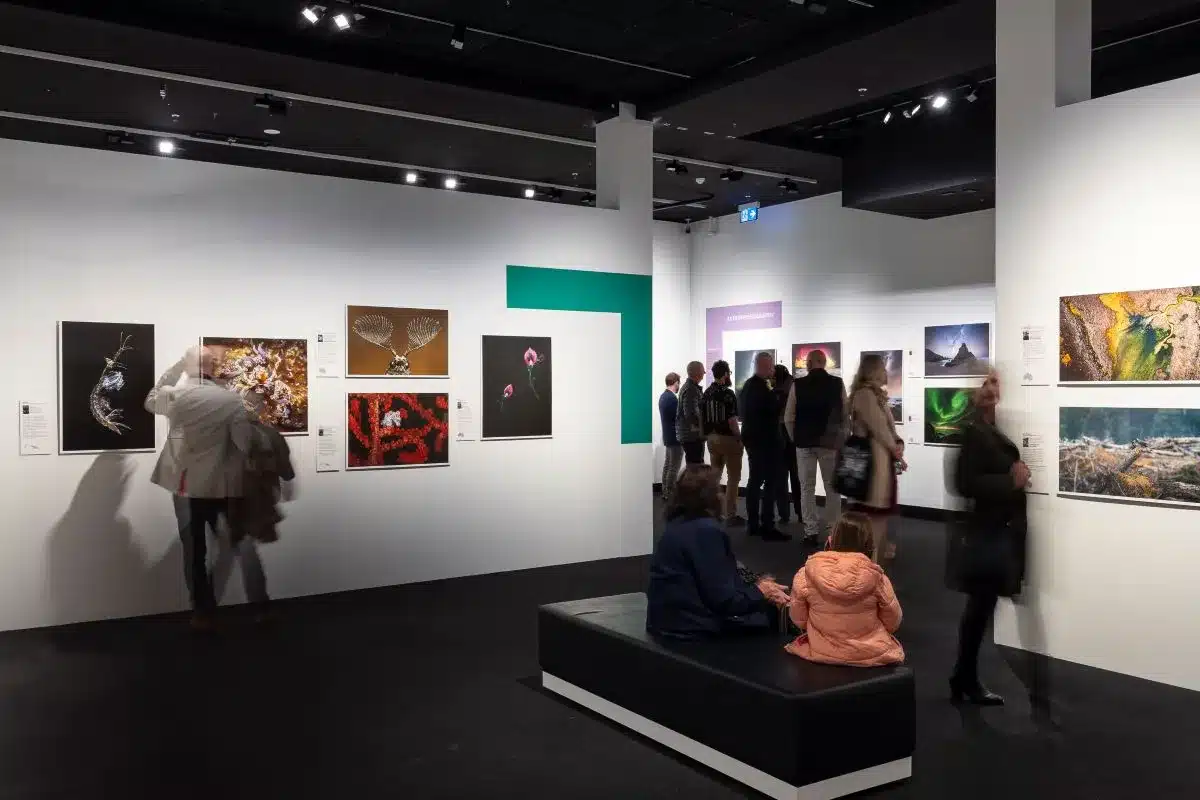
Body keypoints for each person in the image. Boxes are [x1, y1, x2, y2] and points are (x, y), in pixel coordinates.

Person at [146, 345, 254, 631]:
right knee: (234, 541)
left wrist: (175, 369)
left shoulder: (177, 395)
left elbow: (151, 401)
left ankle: (203, 610)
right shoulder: (230, 399)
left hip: (187, 485)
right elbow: (244, 444)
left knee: (194, 549)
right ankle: (256, 605)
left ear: (189, 366)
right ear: (212, 367)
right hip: (220, 483)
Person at [950, 369, 1028, 706]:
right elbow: (964, 483)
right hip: (984, 531)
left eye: (993, 382)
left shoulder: (990, 427)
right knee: (980, 607)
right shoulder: (973, 431)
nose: (989, 389)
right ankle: (965, 678)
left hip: (996, 529)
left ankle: (963, 677)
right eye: (982, 383)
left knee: (982, 606)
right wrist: (1011, 481)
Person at [647, 465, 791, 639]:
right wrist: (761, 592)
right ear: (710, 496)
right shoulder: (705, 531)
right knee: (773, 614)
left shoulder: (676, 523)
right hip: (690, 627)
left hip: (667, 619)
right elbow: (725, 600)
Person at [784, 511, 904, 666]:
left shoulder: (806, 574)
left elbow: (798, 619)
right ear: (869, 544)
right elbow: (893, 621)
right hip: (869, 653)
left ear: (832, 539)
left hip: (821, 651)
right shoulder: (878, 578)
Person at [846, 354, 906, 563]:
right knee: (873, 520)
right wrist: (895, 449)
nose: (886, 372)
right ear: (873, 371)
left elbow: (887, 429)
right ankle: (868, 567)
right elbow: (879, 428)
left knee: (878, 520)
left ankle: (872, 565)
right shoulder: (865, 395)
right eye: (882, 368)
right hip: (872, 469)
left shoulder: (876, 395)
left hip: (880, 465)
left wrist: (898, 443)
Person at [785, 349, 848, 545]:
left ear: (809, 363)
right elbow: (845, 415)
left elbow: (789, 417)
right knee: (832, 488)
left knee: (806, 488)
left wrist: (796, 438)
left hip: (804, 444)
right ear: (824, 362)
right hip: (829, 443)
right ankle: (833, 531)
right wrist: (842, 439)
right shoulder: (837, 383)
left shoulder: (798, 385)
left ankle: (810, 531)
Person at [740, 352, 789, 541]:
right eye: (771, 366)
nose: (773, 369)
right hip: (765, 443)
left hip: (755, 441)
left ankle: (754, 524)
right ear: (763, 365)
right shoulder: (760, 388)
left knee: (755, 481)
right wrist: (780, 399)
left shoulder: (749, 386)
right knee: (770, 483)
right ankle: (767, 525)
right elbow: (771, 411)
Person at [701, 360, 743, 526]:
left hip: (712, 439)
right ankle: (730, 514)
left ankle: (714, 511)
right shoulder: (728, 394)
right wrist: (739, 437)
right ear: (725, 374)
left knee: (715, 477)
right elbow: (732, 420)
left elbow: (701, 417)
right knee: (733, 478)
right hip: (728, 439)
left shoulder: (707, 393)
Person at [773, 365, 802, 526]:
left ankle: (784, 514)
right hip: (793, 436)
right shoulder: (795, 387)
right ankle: (801, 513)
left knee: (781, 477)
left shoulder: (773, 392)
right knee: (797, 477)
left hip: (779, 436)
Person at [658, 372, 683, 507]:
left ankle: (665, 491)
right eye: (679, 383)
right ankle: (670, 493)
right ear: (676, 383)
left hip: (668, 436)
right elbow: (679, 418)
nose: (679, 386)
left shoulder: (663, 396)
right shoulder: (672, 399)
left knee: (668, 465)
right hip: (675, 437)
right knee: (674, 467)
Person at [675, 361, 706, 465]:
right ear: (697, 372)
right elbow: (691, 415)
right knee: (696, 467)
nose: (704, 373)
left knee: (693, 465)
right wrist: (703, 426)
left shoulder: (689, 387)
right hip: (692, 436)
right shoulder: (691, 389)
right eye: (702, 371)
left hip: (690, 435)